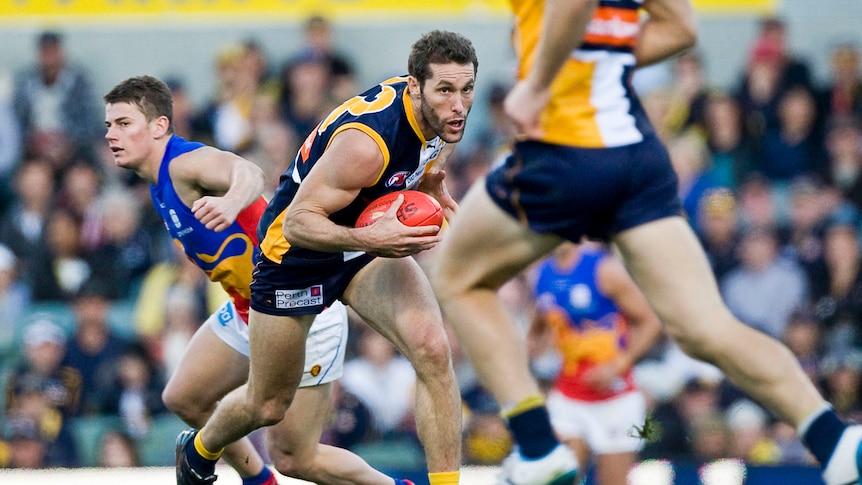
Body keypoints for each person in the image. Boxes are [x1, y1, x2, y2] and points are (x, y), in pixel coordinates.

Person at [430, 2, 862, 485]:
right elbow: (679, 28)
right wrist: (598, 59)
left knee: (456, 277)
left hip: (567, 148)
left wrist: (536, 84)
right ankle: (833, 438)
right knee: (706, 327)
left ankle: (536, 445)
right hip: (637, 156)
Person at [175, 30, 475, 485]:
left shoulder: (443, 118)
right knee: (267, 404)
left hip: (364, 242)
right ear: (415, 87)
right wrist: (373, 239)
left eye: (467, 89)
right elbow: (297, 224)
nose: (459, 104)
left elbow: (425, 152)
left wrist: (430, 179)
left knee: (434, 350)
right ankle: (200, 447)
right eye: (446, 91)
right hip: (295, 256)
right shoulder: (366, 144)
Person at [104, 75, 415, 485]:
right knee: (185, 397)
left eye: (124, 123)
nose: (112, 134)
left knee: (297, 458)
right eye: (109, 125)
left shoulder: (183, 164)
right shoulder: (158, 185)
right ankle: (258, 480)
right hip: (250, 308)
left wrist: (234, 200)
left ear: (160, 126)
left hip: (302, 308)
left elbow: (246, 170)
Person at [527, 241, 662, 485]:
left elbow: (650, 321)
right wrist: (532, 353)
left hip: (615, 400)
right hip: (568, 397)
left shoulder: (604, 269)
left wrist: (619, 365)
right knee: (559, 479)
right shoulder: (541, 275)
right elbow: (538, 327)